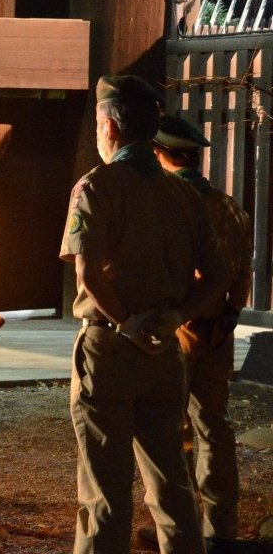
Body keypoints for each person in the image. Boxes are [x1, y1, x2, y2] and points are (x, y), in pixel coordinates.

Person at [60, 75, 230, 554]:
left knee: (105, 493)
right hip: (163, 354)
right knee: (172, 485)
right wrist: (175, 315)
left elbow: (89, 272)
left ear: (110, 125)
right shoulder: (185, 195)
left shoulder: (96, 185)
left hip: (111, 349)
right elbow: (218, 277)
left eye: (98, 123)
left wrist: (125, 321)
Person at [136, 114, 252, 554]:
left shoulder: (168, 201)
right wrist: (226, 318)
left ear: (160, 153)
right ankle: (221, 527)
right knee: (215, 425)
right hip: (218, 331)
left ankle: (176, 526)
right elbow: (240, 274)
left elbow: (169, 269)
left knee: (169, 426)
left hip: (178, 327)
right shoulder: (228, 206)